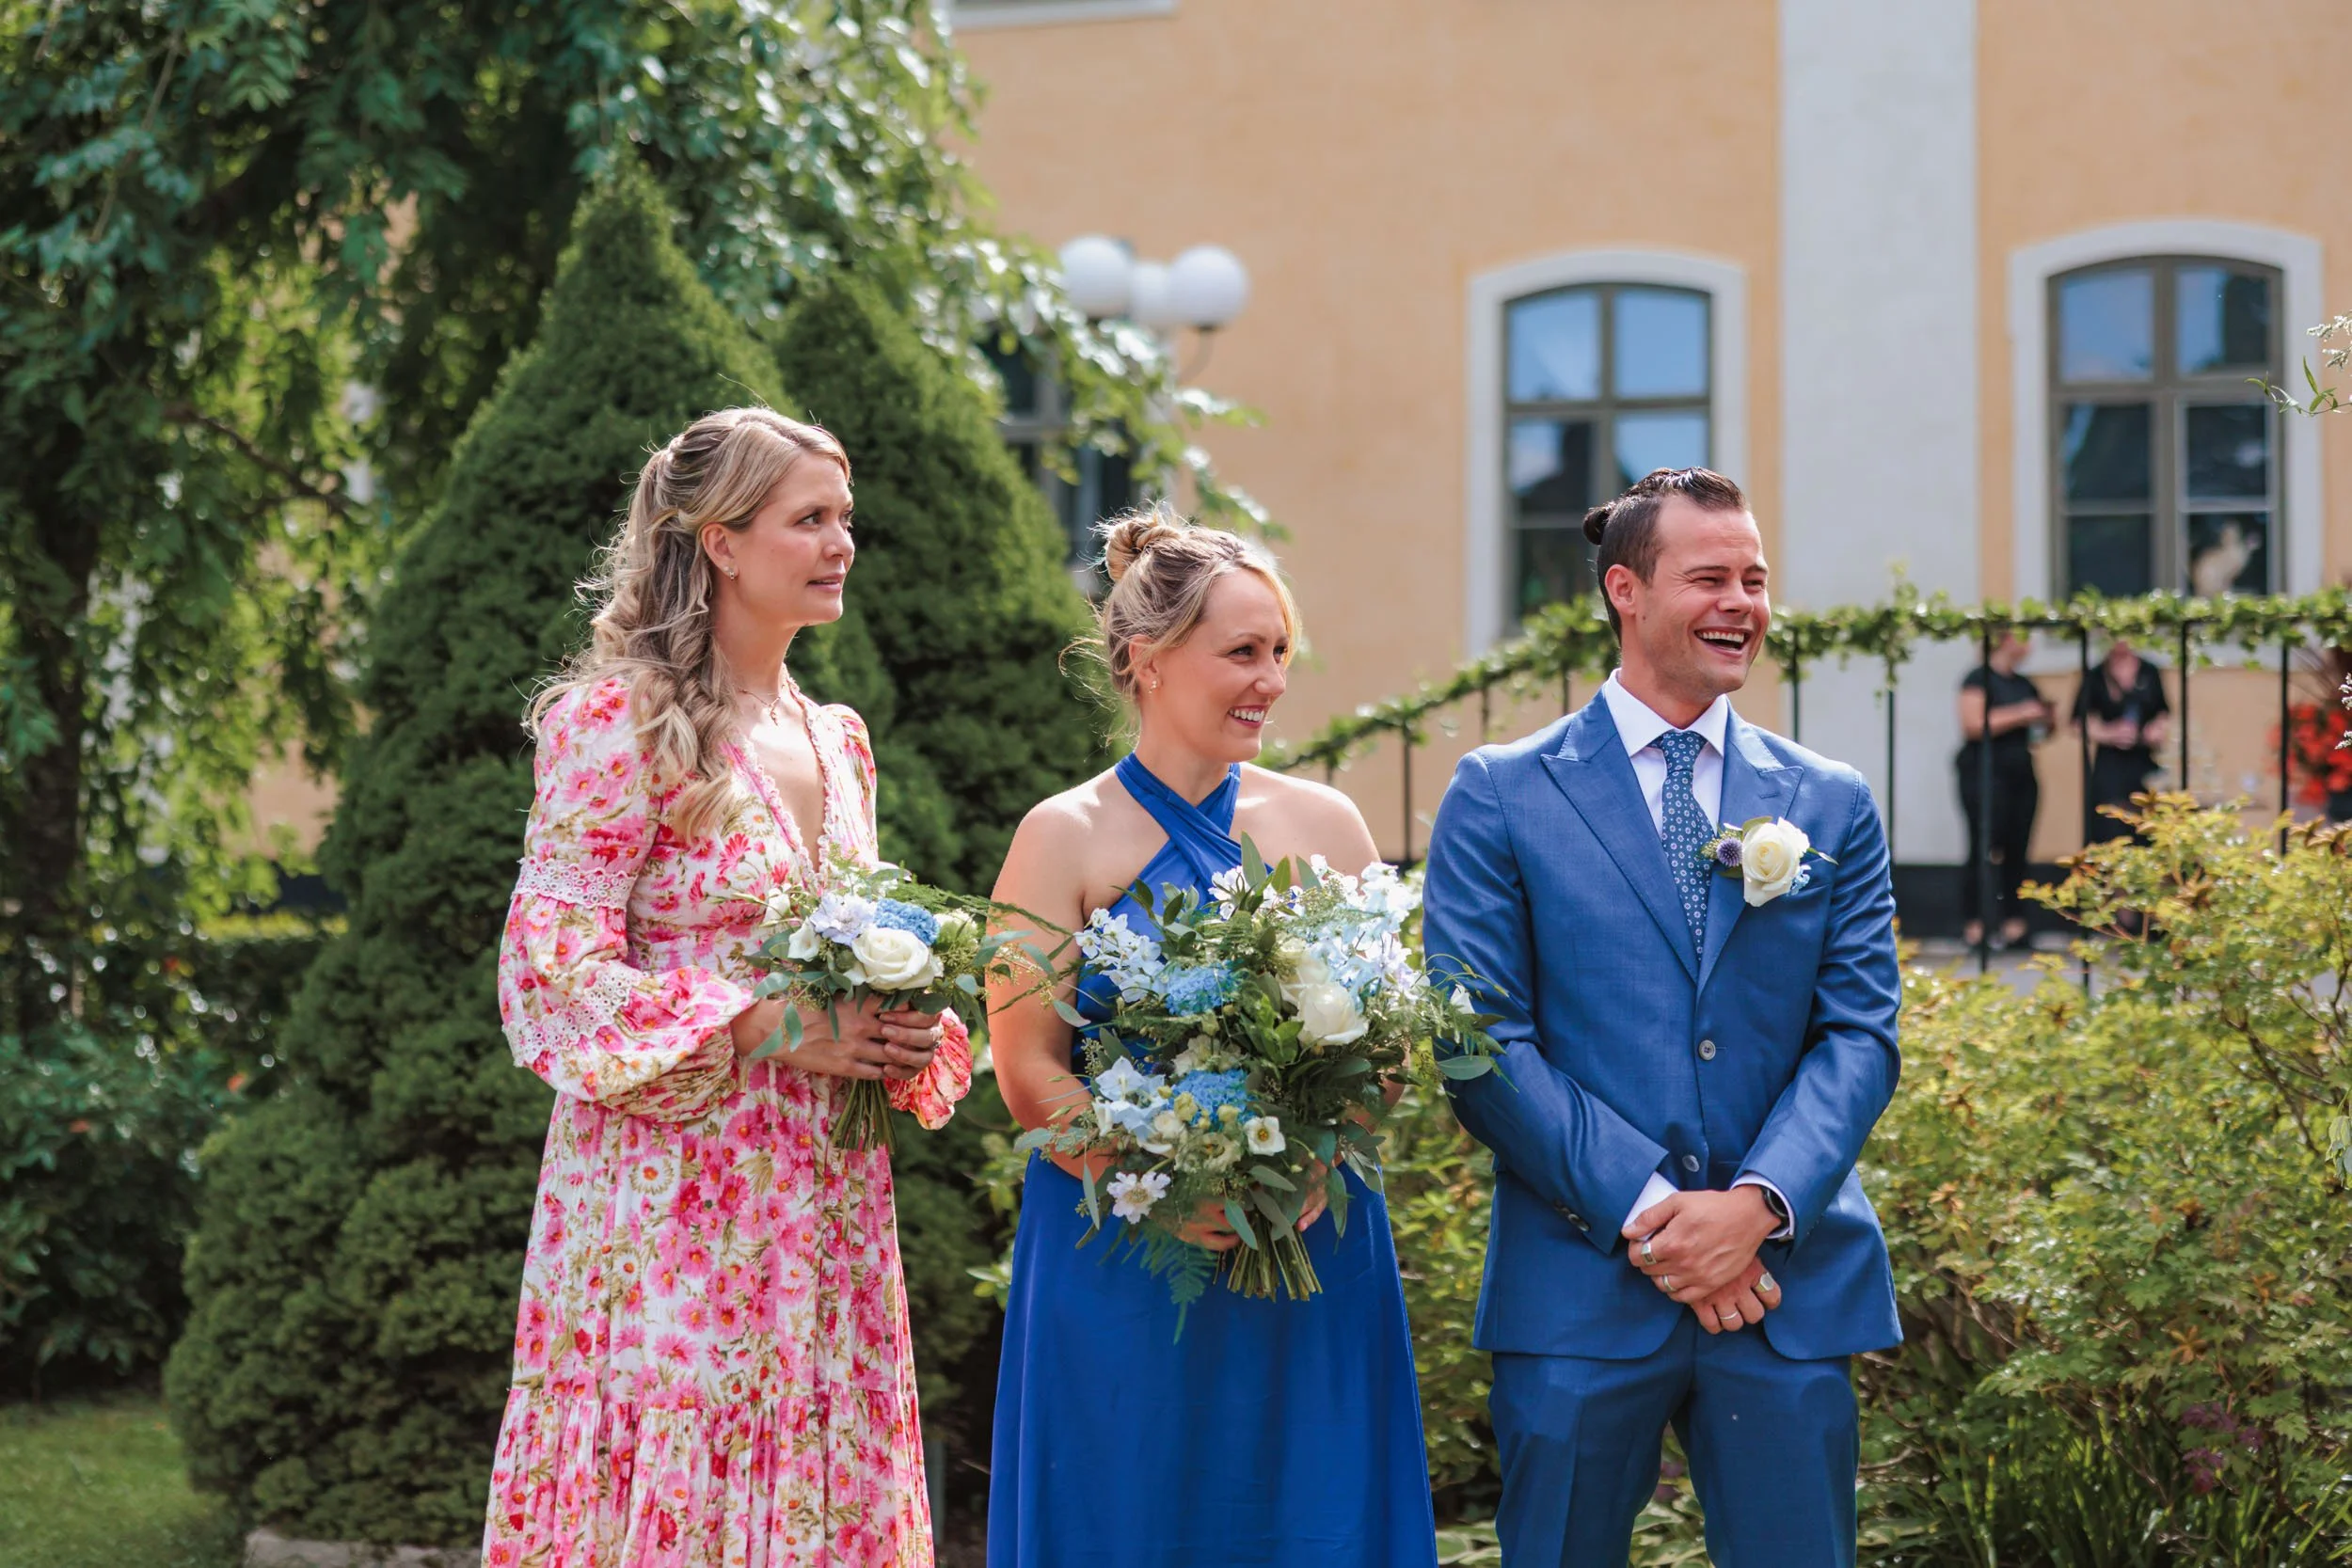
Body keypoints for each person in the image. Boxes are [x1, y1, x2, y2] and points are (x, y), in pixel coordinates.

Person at [482, 408, 970, 1568]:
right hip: (672, 1194)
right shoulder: (617, 718)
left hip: (826, 1191)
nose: (842, 541)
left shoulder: (839, 736)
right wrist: (762, 1024)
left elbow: (842, 940)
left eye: (844, 517)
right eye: (810, 519)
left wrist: (900, 1020)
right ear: (720, 541)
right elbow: (548, 967)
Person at [1422, 467, 1901, 1567]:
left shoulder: (1829, 797)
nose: (1742, 601)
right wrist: (1657, 1214)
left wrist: (1749, 1208)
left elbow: (1859, 1033)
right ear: (1625, 590)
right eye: (1710, 577)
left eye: (1755, 577)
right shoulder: (1502, 791)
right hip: (1579, 1284)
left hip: (1782, 1283)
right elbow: (1475, 1039)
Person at [984, 507, 1438, 1568]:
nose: (1271, 679)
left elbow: (1388, 1040)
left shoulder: (1326, 823)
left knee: (1309, 1510)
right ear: (1146, 658)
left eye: (1280, 651)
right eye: (1242, 651)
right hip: (1128, 1242)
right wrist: (1165, 1175)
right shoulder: (1062, 836)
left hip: (1310, 1235)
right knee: (1126, 1511)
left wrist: (1320, 1155)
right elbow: (1026, 1066)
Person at [1956, 630, 2053, 950]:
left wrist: (2045, 718)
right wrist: (2023, 713)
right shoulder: (1977, 678)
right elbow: (1973, 723)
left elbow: (2044, 728)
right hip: (1985, 774)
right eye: (2024, 637)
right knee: (1983, 846)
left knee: (2017, 848)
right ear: (2006, 640)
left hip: (2019, 773)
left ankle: (2015, 925)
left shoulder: (2024, 684)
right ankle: (1976, 926)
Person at [2073, 638, 2171, 845]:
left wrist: (2154, 730)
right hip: (2110, 763)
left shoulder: (2149, 671)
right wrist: (2108, 733)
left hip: (2146, 759)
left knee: (2147, 823)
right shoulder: (2097, 674)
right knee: (2110, 825)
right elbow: (2078, 722)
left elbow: (2163, 712)